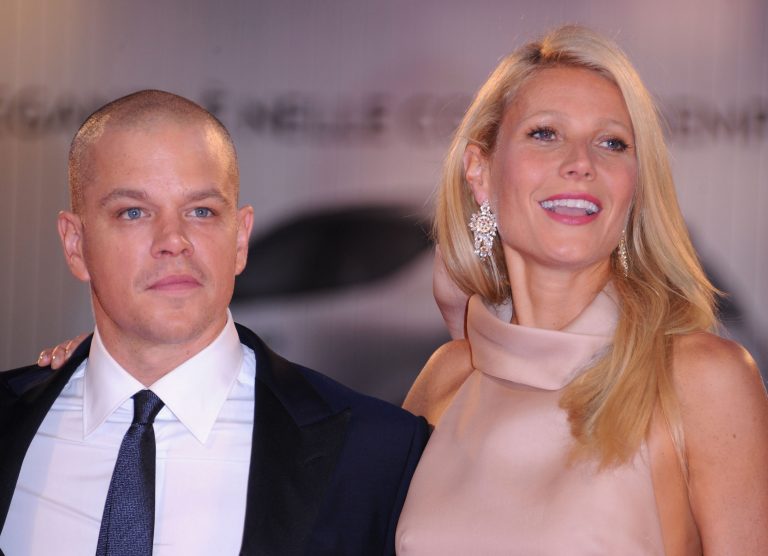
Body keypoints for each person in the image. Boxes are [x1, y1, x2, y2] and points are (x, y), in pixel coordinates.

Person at [0, 90, 429, 556]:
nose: (173, 240)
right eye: (133, 212)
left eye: (201, 211)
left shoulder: (376, 451)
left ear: (240, 240)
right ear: (75, 244)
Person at [396, 25, 768, 555]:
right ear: (480, 171)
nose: (580, 163)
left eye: (612, 143)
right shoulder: (448, 378)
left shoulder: (703, 378)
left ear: (635, 186)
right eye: (544, 133)